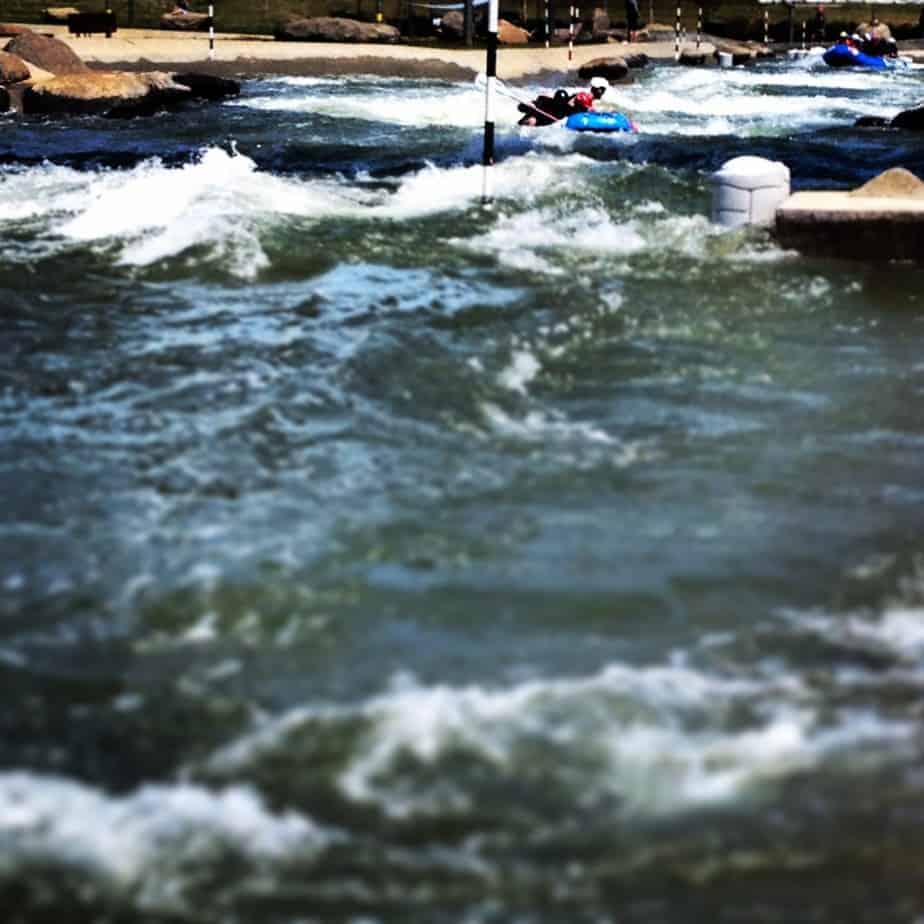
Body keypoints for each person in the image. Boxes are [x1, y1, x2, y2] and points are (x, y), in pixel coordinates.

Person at [517, 77, 609, 126]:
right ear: (599, 90)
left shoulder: (584, 99)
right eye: (603, 90)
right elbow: (584, 107)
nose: (604, 93)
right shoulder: (583, 97)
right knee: (532, 120)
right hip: (549, 115)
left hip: (554, 118)